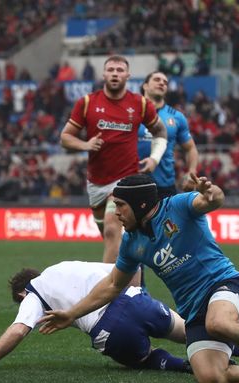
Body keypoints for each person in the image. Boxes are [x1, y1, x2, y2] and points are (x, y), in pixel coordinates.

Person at [39, 174, 239, 383]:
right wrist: (72, 313)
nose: (116, 213)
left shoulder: (178, 206)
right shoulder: (131, 243)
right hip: (194, 311)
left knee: (219, 323)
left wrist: (210, 192)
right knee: (211, 378)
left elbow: (212, 200)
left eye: (120, 206)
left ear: (140, 204)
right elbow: (113, 285)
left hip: (226, 285)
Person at [0, 261, 191, 373]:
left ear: (22, 293)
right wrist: (139, 300)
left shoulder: (33, 293)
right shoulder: (65, 265)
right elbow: (131, 268)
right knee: (188, 331)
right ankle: (224, 345)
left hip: (111, 329)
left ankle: (182, 366)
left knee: (143, 359)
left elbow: (19, 330)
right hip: (137, 300)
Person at [60, 55, 168, 263]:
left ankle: (110, 291)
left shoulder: (140, 104)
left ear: (128, 75)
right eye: (111, 70)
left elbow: (161, 132)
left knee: (112, 229)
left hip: (124, 179)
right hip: (96, 182)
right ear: (103, 74)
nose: (115, 74)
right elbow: (65, 138)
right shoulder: (87, 103)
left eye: (120, 70)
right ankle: (132, 283)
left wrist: (154, 158)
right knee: (112, 237)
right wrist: (85, 145)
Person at [138, 71, 199, 198]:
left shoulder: (177, 117)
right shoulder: (130, 112)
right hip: (132, 183)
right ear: (145, 86)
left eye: (165, 82)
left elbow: (190, 148)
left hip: (164, 187)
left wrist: (191, 172)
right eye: (157, 79)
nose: (162, 83)